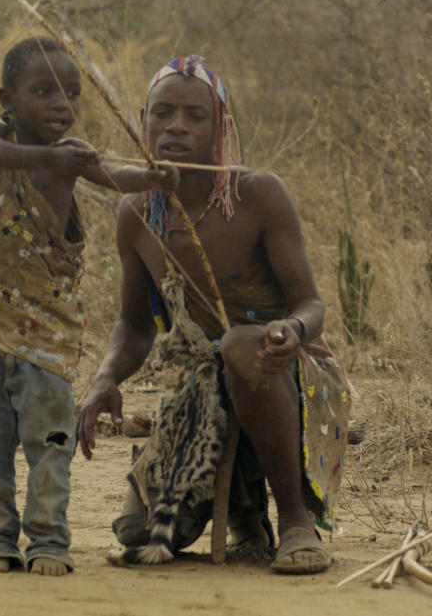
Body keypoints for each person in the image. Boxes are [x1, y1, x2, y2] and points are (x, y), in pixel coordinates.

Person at [76, 55, 352, 575]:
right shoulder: (137, 212)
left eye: (194, 115)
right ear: (143, 120)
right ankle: (245, 515)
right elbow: (135, 325)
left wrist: (290, 332)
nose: (176, 125)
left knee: (242, 347)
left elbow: (311, 305)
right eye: (163, 113)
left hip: (284, 372)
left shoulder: (258, 195)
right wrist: (105, 377)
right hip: (203, 390)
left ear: (219, 126)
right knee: (140, 536)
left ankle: (294, 519)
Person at [0, 36, 175, 577]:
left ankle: (50, 540)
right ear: (9, 97)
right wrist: (50, 158)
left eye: (72, 94)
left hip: (47, 328)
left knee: (49, 438)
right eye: (44, 91)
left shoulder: (73, 156)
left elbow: (115, 179)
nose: (62, 104)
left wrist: (151, 179)